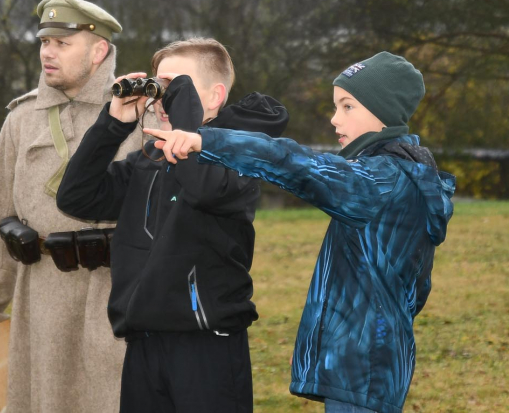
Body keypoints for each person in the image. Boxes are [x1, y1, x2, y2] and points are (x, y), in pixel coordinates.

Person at [147, 51, 456, 413]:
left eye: (347, 106)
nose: (333, 118)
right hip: (365, 368)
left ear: (384, 113)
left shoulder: (382, 181)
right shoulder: (395, 176)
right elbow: (415, 288)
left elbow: (295, 164)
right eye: (335, 106)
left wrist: (208, 141)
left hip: (364, 370)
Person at [56, 38, 289, 413]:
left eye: (175, 86)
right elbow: (76, 197)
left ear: (214, 96)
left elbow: (207, 190)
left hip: (206, 345)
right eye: (159, 87)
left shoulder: (240, 157)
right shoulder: (147, 160)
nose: (163, 98)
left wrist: (187, 126)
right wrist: (113, 123)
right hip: (144, 340)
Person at [0, 0, 140, 413]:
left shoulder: (140, 114)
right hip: (39, 296)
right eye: (45, 42)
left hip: (111, 295)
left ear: (98, 51)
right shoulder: (21, 119)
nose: (47, 52)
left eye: (63, 43)